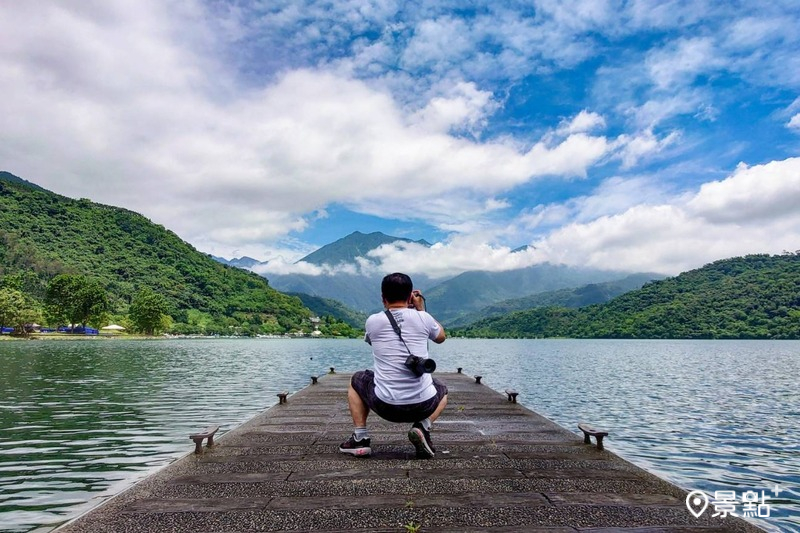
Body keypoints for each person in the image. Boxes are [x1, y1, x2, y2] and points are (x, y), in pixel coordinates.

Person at [339, 272, 447, 459]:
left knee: (357, 379)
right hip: (423, 405)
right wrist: (421, 310)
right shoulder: (424, 318)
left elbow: (373, 341)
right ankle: (423, 426)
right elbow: (441, 337)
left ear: (383, 298)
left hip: (385, 406)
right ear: (409, 296)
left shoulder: (373, 321)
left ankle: (360, 439)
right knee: (442, 389)